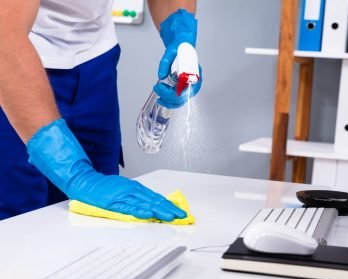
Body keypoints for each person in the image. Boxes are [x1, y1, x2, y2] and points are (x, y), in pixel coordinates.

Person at [0, 0, 202, 221]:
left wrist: (180, 33)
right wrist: (77, 175)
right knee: (17, 216)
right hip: (16, 63)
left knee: (99, 215)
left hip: (95, 60)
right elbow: (4, 35)